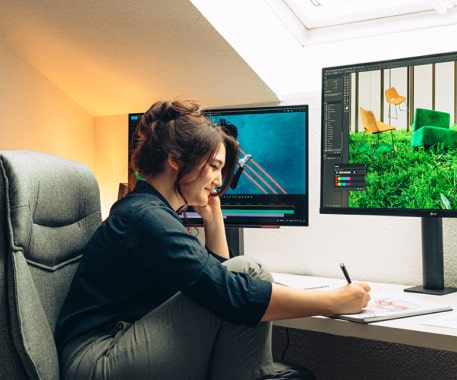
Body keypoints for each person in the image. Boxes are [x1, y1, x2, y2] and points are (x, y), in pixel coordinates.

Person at [55, 99, 371, 380]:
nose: (220, 181)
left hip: (121, 344)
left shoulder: (149, 210)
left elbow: (214, 278)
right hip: (98, 360)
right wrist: (334, 301)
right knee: (251, 271)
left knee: (244, 274)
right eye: (215, 167)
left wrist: (212, 218)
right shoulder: (145, 218)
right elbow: (230, 288)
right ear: (177, 160)